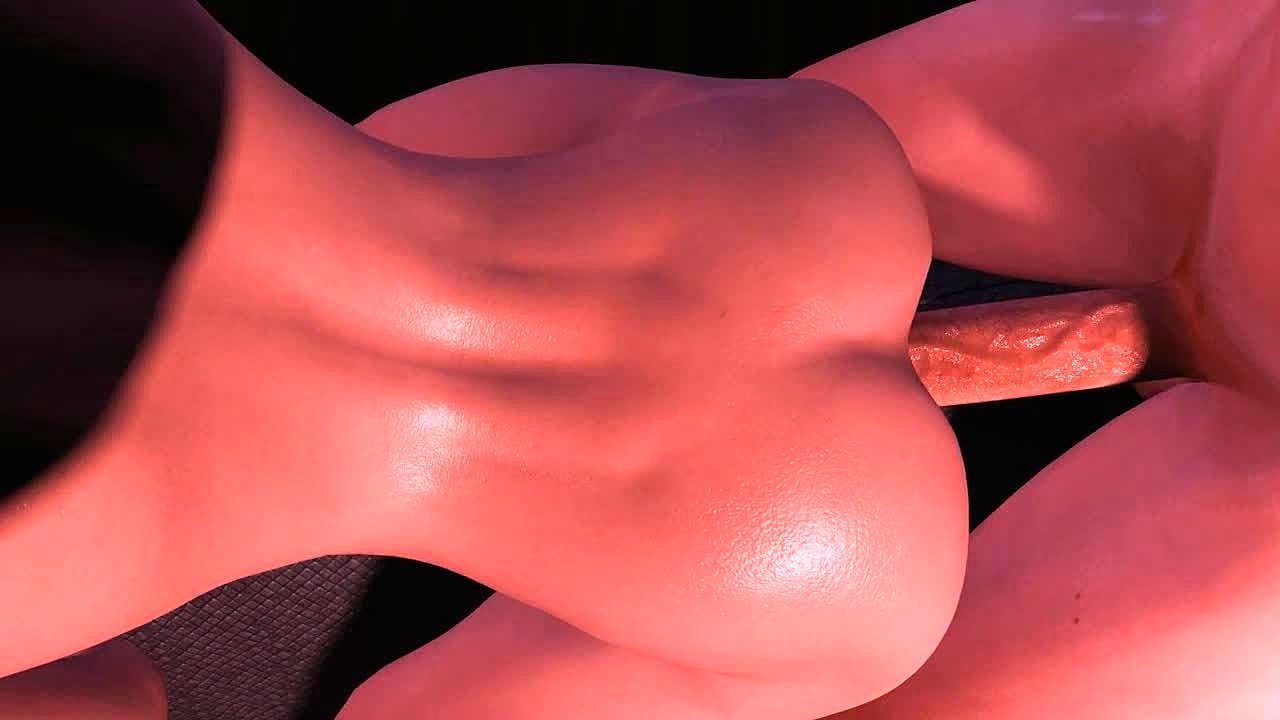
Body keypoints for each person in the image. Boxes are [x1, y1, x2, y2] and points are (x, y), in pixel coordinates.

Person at [4, 1, 1279, 720]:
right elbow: (428, 133)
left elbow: (105, 698)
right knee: (1221, 79)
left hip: (766, 548)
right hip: (729, 183)